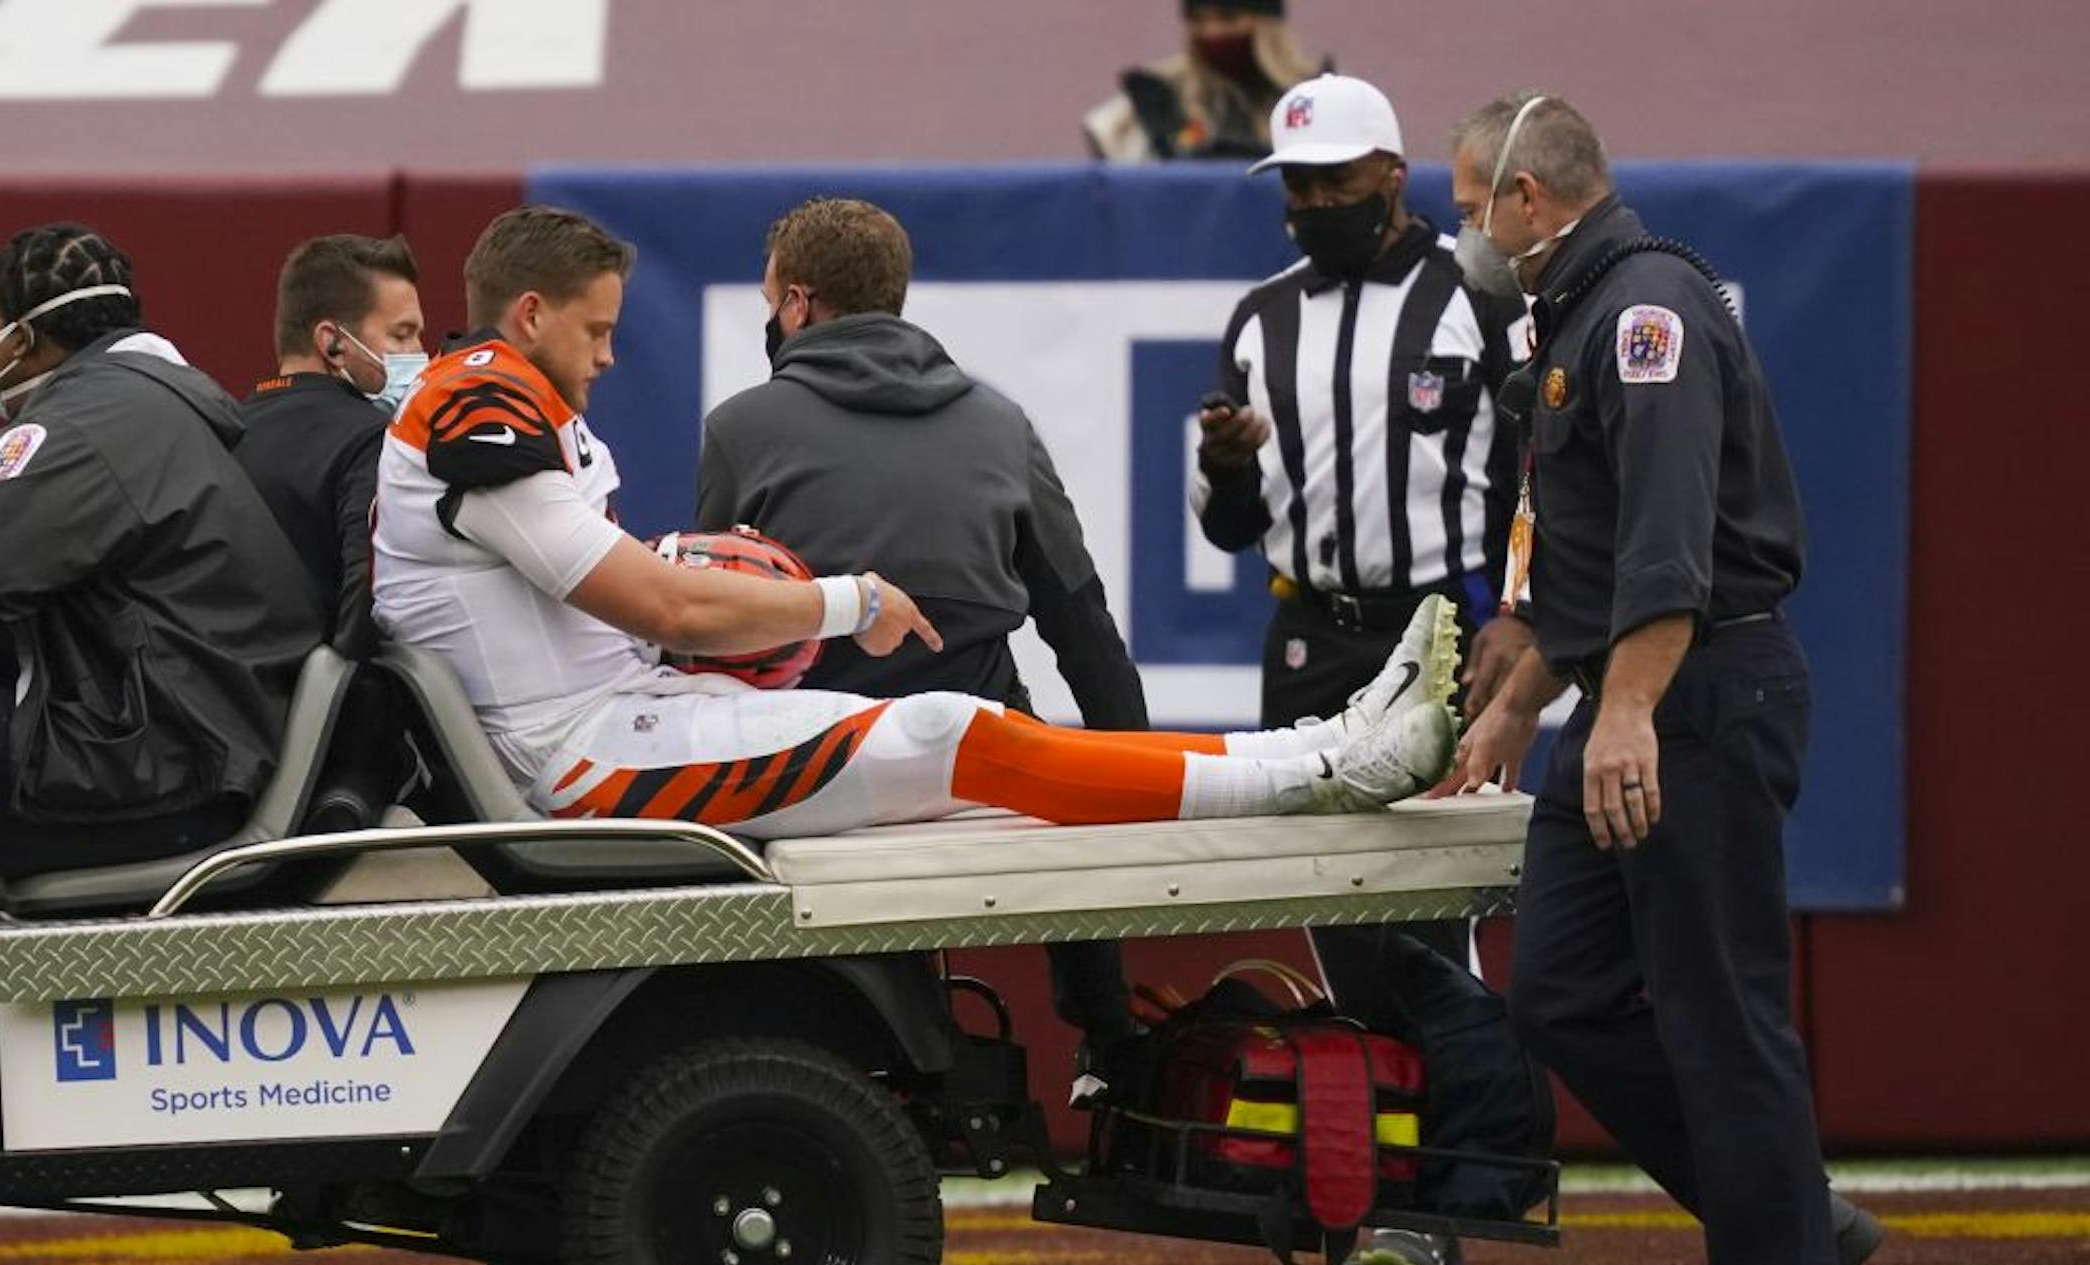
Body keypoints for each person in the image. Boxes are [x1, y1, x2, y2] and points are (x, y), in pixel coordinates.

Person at [372, 206, 1459, 848]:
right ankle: (1311, 769)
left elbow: (646, 603)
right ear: (529, 316)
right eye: (596, 330)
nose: (609, 357)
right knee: (953, 734)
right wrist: (845, 600)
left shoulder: (505, 399)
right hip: (580, 756)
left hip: (624, 716)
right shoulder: (477, 399)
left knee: (965, 741)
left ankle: (1319, 749)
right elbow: (664, 606)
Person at [1438, 92, 1882, 1265]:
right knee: (1564, 994)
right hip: (1627, 695)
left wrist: (1624, 709)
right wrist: (1524, 704)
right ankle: (1792, 1223)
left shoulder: (1645, 317)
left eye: (1473, 212)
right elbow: (1583, 547)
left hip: (1695, 695)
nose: (1464, 236)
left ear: (1532, 199)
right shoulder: (1576, 312)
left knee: (1718, 1007)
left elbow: (1670, 542)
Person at [1195, 74, 1540, 1265]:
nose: (1314, 204)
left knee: (1432, 920)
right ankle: (1374, 1184)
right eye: (1296, 185)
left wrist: (1513, 620)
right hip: (1309, 632)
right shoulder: (1259, 318)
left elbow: (1539, 471)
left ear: (1394, 175)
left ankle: (1459, 1201)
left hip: (1444, 624)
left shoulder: (1475, 297)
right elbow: (1232, 532)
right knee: (1333, 914)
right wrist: (1225, 467)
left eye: (1337, 181)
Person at [698, 196, 1149, 1068]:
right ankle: (1112, 1047)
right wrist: (1130, 778)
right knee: (1042, 736)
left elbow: (716, 624)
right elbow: (1080, 622)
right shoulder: (1002, 423)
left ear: (796, 303)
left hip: (814, 754)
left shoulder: (739, 430)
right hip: (981, 741)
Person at [0, 224, 324, 876]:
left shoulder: (90, 419)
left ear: (22, 340)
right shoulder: (162, 400)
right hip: (187, 738)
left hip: (160, 768)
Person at [237, 234, 429, 659]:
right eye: (402, 334)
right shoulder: (375, 442)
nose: (420, 353)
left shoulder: (222, 431)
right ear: (333, 343)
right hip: (324, 711)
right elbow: (372, 600)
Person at [1084, 2, 1321, 163]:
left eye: (1228, 18)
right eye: (1198, 20)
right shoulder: (1150, 107)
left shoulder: (1315, 102)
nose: (1211, 32)